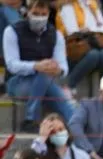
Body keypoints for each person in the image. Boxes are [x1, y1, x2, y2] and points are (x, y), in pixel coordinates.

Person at [3, 0, 74, 133]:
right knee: (45, 78)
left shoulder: (56, 34)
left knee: (46, 79)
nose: (39, 18)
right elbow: (12, 64)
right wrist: (36, 66)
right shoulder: (12, 31)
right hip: (16, 82)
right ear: (27, 12)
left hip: (45, 81)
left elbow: (63, 67)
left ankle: (32, 121)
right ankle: (32, 117)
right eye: (35, 13)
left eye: (43, 14)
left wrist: (57, 69)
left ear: (48, 14)